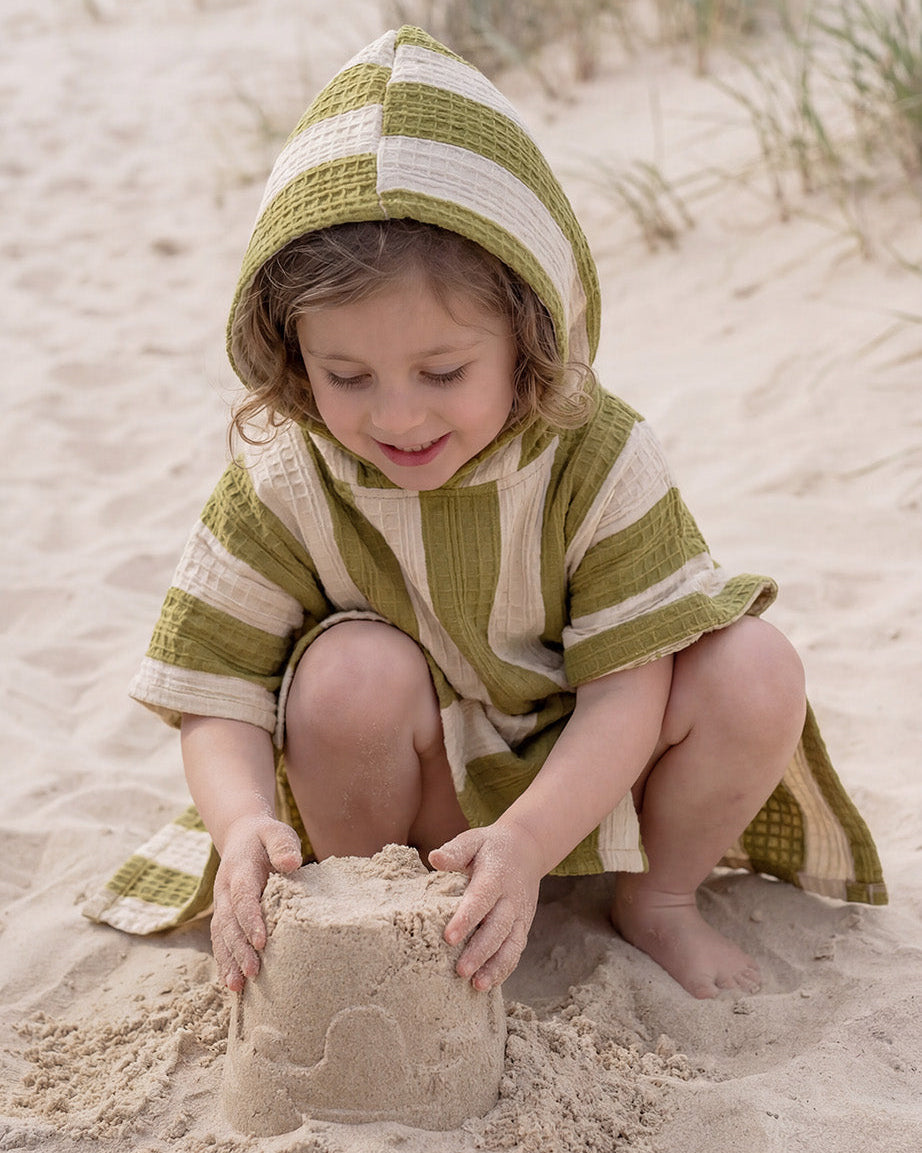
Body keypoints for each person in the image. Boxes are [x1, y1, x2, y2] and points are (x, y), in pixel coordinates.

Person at [86, 26, 885, 1000]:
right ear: (292, 356)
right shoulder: (289, 471)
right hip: (408, 784)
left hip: (586, 780)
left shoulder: (594, 454)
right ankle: (380, 909)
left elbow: (628, 690)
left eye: (443, 371)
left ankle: (657, 899)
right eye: (347, 375)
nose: (396, 414)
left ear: (530, 332)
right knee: (346, 675)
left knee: (753, 665)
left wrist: (529, 837)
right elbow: (214, 685)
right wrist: (243, 818)